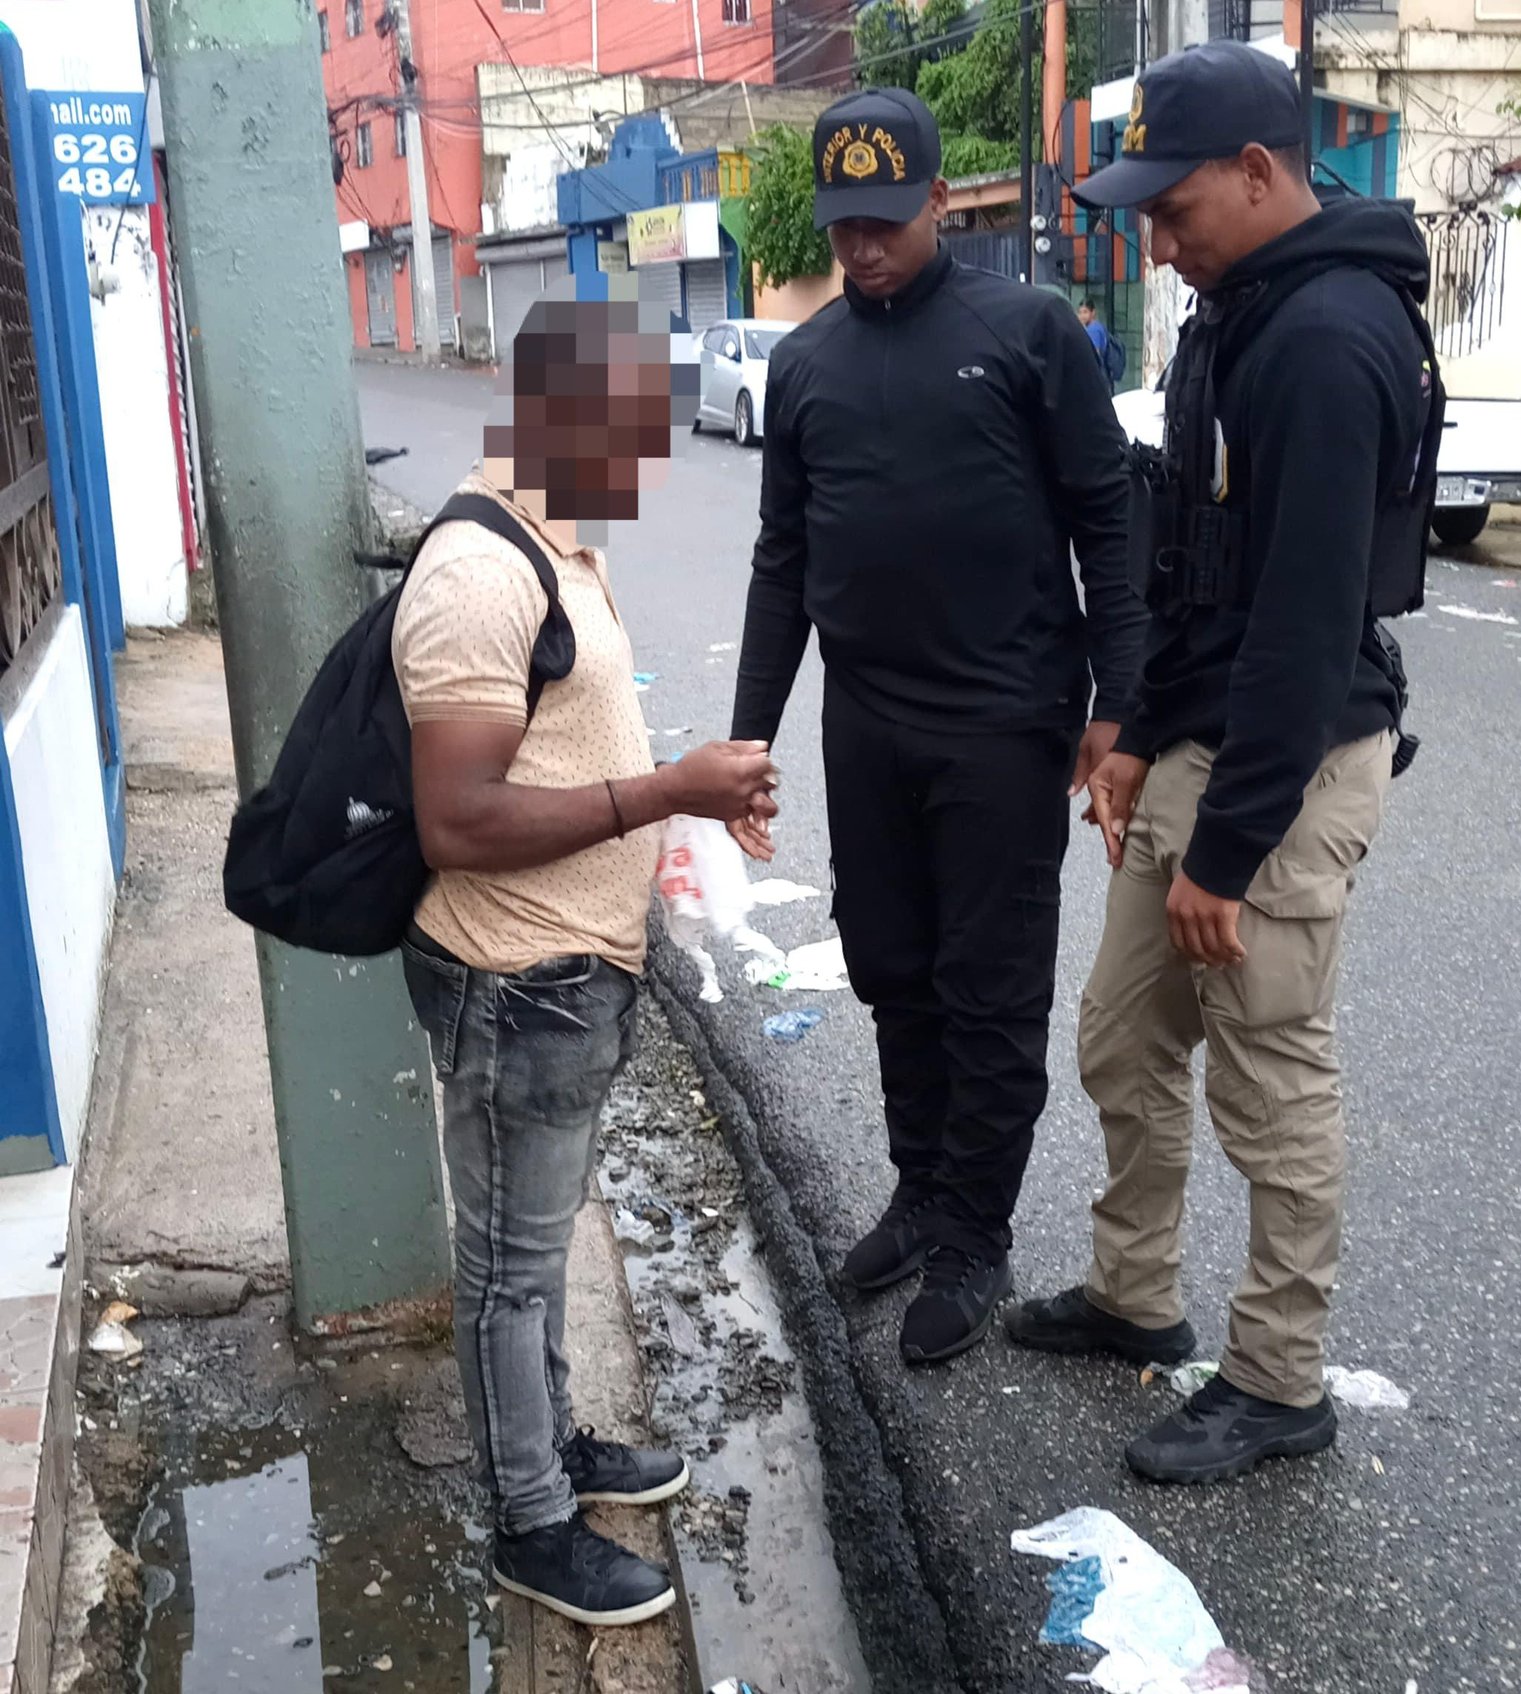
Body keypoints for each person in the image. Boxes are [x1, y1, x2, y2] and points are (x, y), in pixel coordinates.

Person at [1005, 40, 1436, 1483]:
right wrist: (1135, 731)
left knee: (1269, 1076)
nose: (1155, 242)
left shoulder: (1323, 343)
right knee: (1123, 1034)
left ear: (1258, 173)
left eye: (1173, 210)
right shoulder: (1235, 311)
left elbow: (1307, 629)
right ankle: (1134, 1291)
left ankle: (1276, 1377)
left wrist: (1229, 852)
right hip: (1203, 736)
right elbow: (1200, 567)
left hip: (1286, 766)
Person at [728, 88, 1143, 1366]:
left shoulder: (1025, 331)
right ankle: (920, 1190)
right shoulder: (804, 363)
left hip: (1003, 724)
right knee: (889, 963)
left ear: (937, 202)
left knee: (988, 986)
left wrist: (1117, 704)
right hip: (866, 722)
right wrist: (748, 739)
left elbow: (1109, 520)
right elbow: (782, 561)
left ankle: (973, 1232)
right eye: (842, 225)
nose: (861, 247)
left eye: (885, 221)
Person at [394, 288, 779, 1620]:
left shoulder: (557, 540)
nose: (650, 453)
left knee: (537, 1244)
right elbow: (456, 818)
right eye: (632, 426)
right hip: (514, 980)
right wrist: (666, 791)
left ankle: (549, 1445)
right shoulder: (478, 573)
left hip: (571, 974)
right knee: (508, 1269)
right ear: (554, 412)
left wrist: (689, 806)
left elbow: (569, 744)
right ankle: (530, 1521)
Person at [1077, 298, 1113, 385]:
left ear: (1093, 312)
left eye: (1085, 312)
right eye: (1080, 312)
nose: (1082, 316)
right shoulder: (1098, 326)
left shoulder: (1093, 330)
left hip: (1095, 375)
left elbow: (1094, 355)